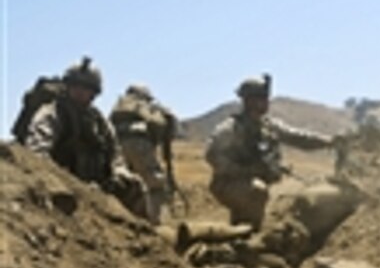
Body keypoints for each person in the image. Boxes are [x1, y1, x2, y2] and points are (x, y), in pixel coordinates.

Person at [205, 74, 335, 229]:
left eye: (266, 97)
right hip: (226, 184)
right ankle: (249, 235)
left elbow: (298, 138)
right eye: (261, 97)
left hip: (248, 182)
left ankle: (240, 234)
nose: (266, 102)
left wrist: (329, 141)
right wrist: (246, 170)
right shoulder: (230, 129)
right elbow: (211, 155)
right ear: (249, 101)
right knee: (257, 191)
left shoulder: (267, 125)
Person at [23, 56, 148, 217]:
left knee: (134, 185)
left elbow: (115, 154)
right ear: (67, 86)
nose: (80, 92)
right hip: (64, 185)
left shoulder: (99, 121)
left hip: (98, 186)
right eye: (75, 86)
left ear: (94, 93)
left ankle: (146, 235)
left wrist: (119, 172)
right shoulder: (51, 114)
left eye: (86, 88)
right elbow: (36, 152)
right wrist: (61, 181)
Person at [109, 84, 177, 225]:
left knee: (126, 183)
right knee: (155, 184)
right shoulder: (148, 107)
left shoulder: (118, 106)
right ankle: (155, 222)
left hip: (118, 145)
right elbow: (166, 124)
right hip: (141, 144)